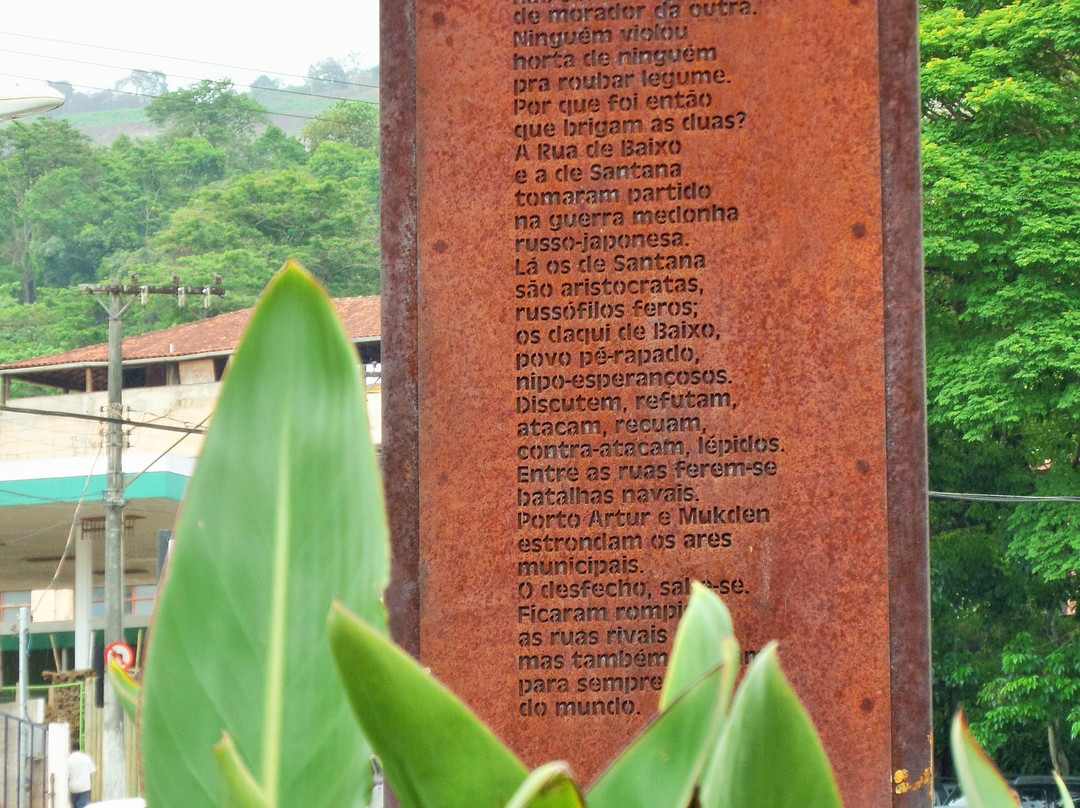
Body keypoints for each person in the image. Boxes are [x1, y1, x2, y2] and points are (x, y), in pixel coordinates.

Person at [67, 739, 95, 808]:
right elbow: (90, 774)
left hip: (73, 788)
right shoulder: (86, 758)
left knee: (73, 806)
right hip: (84, 788)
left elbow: (67, 776)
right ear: (79, 748)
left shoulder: (69, 759)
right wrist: (90, 788)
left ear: (72, 749)